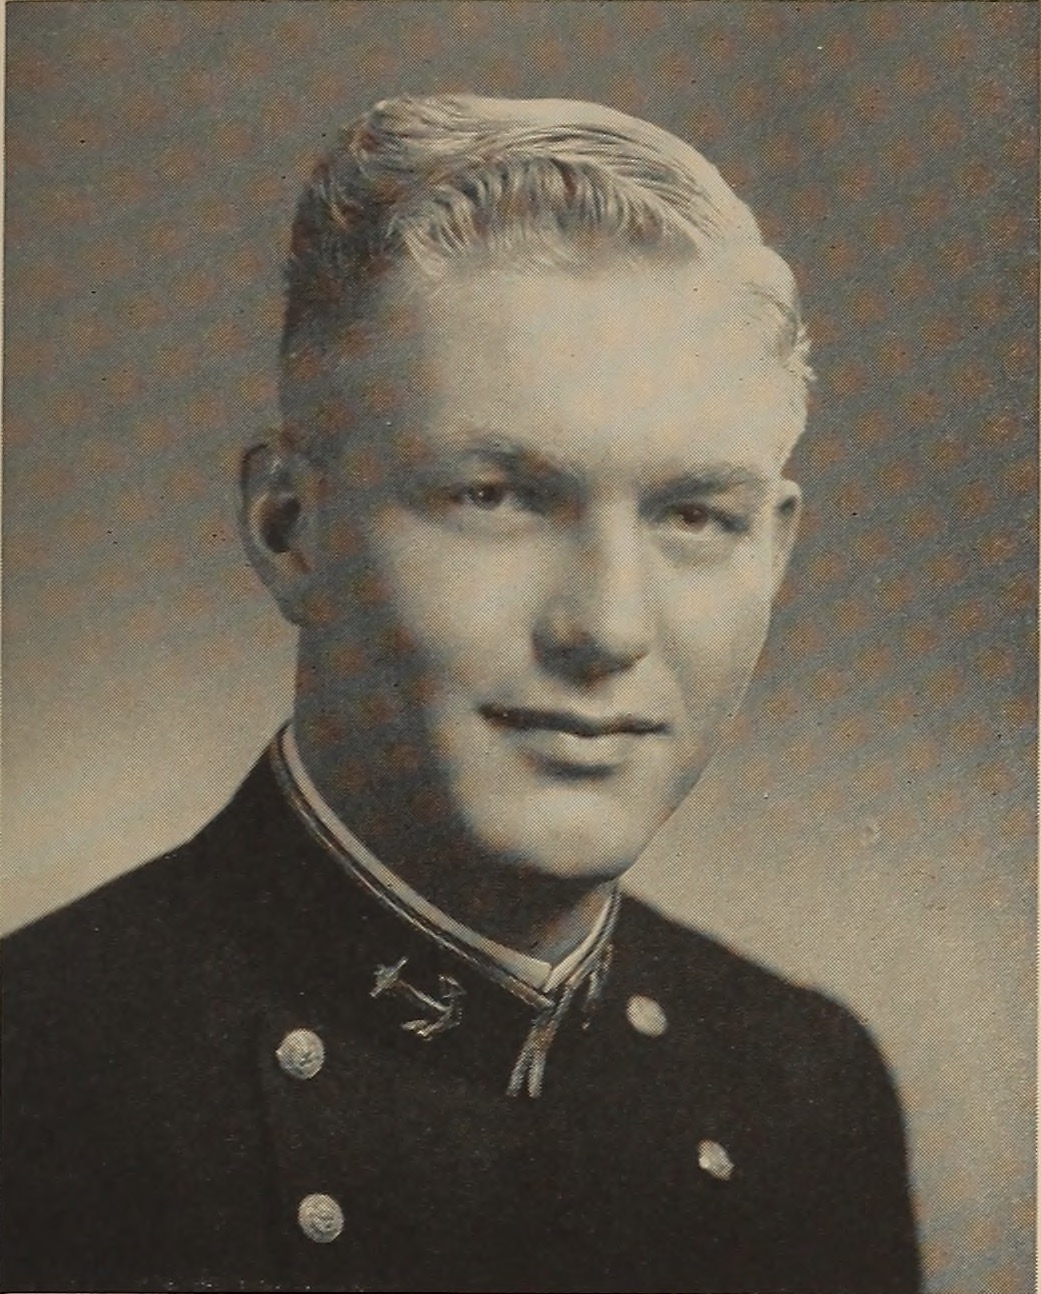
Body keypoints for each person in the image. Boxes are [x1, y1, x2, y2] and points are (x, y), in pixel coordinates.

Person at [1, 94, 921, 1293]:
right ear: (289, 529)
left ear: (777, 553)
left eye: (695, 516)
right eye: (496, 496)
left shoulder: (805, 1089)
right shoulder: (34, 1073)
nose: (608, 627)